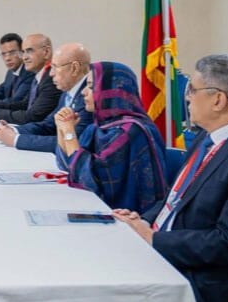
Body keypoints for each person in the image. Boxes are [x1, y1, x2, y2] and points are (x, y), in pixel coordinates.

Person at [113, 54, 228, 302]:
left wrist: (153, 239)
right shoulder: (207, 138)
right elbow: (175, 199)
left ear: (218, 100)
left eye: (192, 90)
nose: (187, 98)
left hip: (206, 279)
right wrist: (143, 220)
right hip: (170, 246)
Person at [54, 61, 167, 213]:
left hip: (128, 215)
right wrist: (62, 128)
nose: (84, 92)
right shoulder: (98, 127)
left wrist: (69, 132)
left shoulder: (129, 131)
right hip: (98, 206)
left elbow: (90, 180)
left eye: (91, 87)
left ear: (111, 91)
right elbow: (68, 166)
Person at [0, 42, 93, 153]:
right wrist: (14, 130)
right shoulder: (68, 90)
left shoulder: (89, 97)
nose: (51, 73)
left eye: (55, 67)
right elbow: (48, 125)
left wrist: (16, 139)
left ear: (74, 68)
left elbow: (72, 143)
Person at [0, 34, 61, 125]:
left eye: (29, 51)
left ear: (46, 52)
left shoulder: (51, 79)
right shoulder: (39, 75)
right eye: (23, 52)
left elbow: (33, 116)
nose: (24, 57)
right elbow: (24, 104)